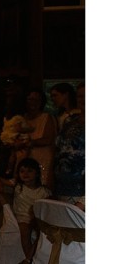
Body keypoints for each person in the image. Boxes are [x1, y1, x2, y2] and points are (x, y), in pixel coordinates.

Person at [0, 157, 50, 264]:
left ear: (36, 173)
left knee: (43, 233)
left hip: (36, 218)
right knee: (24, 230)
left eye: (29, 171)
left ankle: (31, 260)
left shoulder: (43, 191)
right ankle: (29, 259)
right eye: (22, 171)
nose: (25, 174)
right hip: (21, 216)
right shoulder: (18, 186)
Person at [12, 89, 56, 187]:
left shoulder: (46, 117)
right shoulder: (20, 118)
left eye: (37, 100)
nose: (33, 102)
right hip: (23, 159)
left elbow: (49, 139)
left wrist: (31, 143)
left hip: (42, 159)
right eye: (30, 99)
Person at [52, 82, 84, 210]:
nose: (83, 99)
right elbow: (58, 149)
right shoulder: (69, 122)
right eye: (80, 96)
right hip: (63, 185)